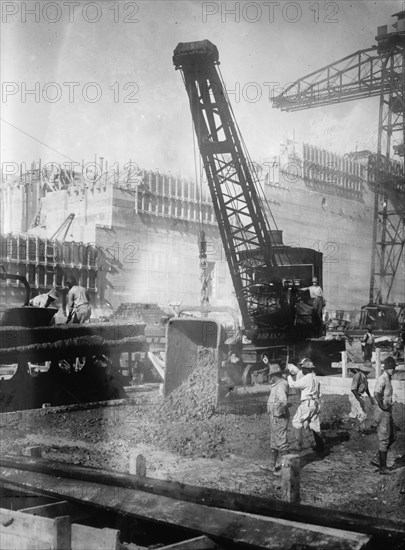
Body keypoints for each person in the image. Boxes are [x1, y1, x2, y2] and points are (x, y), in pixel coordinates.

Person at [287, 358, 324, 453]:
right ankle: (320, 447)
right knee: (315, 426)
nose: (301, 369)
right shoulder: (316, 379)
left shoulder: (306, 378)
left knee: (296, 422)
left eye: (302, 368)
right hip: (315, 403)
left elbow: (293, 385)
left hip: (307, 403)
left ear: (306, 369)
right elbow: (320, 394)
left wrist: (289, 377)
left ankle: (298, 445)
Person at [260, 363, 289, 472]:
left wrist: (277, 413)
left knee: (281, 443)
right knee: (274, 442)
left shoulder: (281, 385)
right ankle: (272, 465)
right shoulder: (278, 384)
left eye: (271, 376)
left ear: (275, 375)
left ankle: (285, 469)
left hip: (279, 418)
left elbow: (283, 401)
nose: (270, 378)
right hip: (274, 418)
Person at [371, 356, 397, 475]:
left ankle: (377, 458)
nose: (393, 370)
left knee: (392, 436)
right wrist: (382, 407)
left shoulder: (388, 378)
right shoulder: (382, 379)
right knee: (385, 439)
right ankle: (383, 467)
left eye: (393, 368)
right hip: (382, 412)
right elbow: (376, 394)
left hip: (387, 411)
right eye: (391, 368)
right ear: (386, 368)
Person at [349, 362, 374, 433]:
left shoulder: (364, 376)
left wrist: (370, 397)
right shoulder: (358, 375)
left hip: (359, 396)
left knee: (354, 413)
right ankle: (362, 431)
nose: (369, 371)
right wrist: (359, 400)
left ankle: (352, 427)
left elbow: (366, 388)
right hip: (354, 396)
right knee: (362, 414)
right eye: (368, 370)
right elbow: (353, 389)